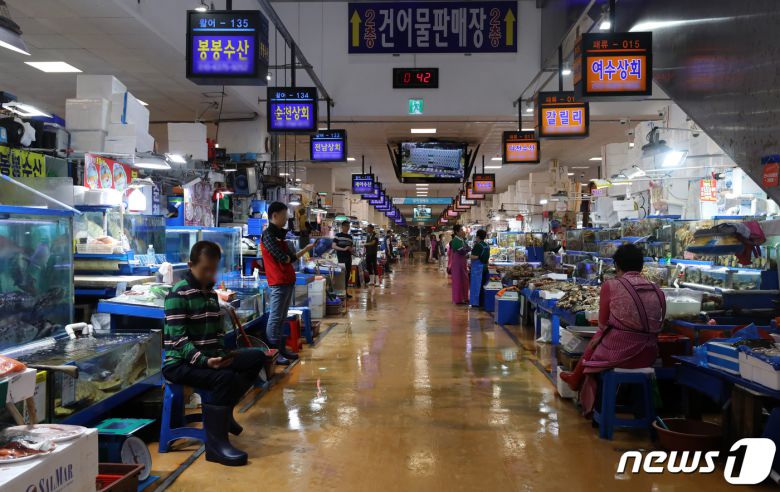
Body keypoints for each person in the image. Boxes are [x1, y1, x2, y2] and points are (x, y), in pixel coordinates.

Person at [163, 241, 268, 466]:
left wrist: (222, 355)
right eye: (205, 270)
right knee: (224, 378)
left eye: (213, 269)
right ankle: (216, 446)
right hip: (179, 364)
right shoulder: (178, 293)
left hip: (210, 358)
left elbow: (218, 332)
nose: (210, 275)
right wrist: (206, 361)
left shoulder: (211, 294)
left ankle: (225, 412)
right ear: (191, 265)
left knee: (257, 357)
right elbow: (179, 340)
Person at [559, 244, 666, 417]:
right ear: (641, 266)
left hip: (620, 355)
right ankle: (576, 378)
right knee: (604, 336)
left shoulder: (612, 286)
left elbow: (602, 324)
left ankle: (581, 384)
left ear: (617, 265)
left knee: (600, 336)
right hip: (649, 355)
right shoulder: (657, 290)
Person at [261, 202, 316, 366]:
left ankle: (280, 349)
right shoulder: (268, 235)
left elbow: (290, 258)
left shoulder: (279, 235)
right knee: (275, 317)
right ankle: (273, 352)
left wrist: (306, 249)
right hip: (278, 281)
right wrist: (289, 257)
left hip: (287, 280)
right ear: (275, 215)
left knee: (281, 317)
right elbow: (284, 258)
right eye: (284, 216)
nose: (286, 219)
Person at [449, 224, 471, 304]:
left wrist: (466, 250)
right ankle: (458, 299)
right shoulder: (455, 241)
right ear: (457, 232)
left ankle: (465, 297)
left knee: (464, 279)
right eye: (461, 230)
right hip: (457, 263)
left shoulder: (462, 240)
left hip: (463, 262)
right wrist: (466, 250)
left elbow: (468, 248)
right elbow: (462, 250)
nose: (463, 231)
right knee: (458, 280)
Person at [333, 221, 355, 296]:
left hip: (348, 258)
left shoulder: (350, 237)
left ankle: (345, 291)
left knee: (347, 274)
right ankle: (340, 292)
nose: (347, 227)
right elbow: (333, 246)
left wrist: (350, 249)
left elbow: (352, 249)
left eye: (348, 226)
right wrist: (343, 249)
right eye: (346, 226)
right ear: (342, 227)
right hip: (341, 258)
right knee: (342, 275)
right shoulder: (337, 235)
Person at [470, 229, 491, 305]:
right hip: (485, 268)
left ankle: (476, 303)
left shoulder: (478, 245)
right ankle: (482, 302)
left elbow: (475, 257)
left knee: (476, 286)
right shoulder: (487, 246)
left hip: (477, 269)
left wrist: (468, 256)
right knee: (483, 285)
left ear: (477, 236)